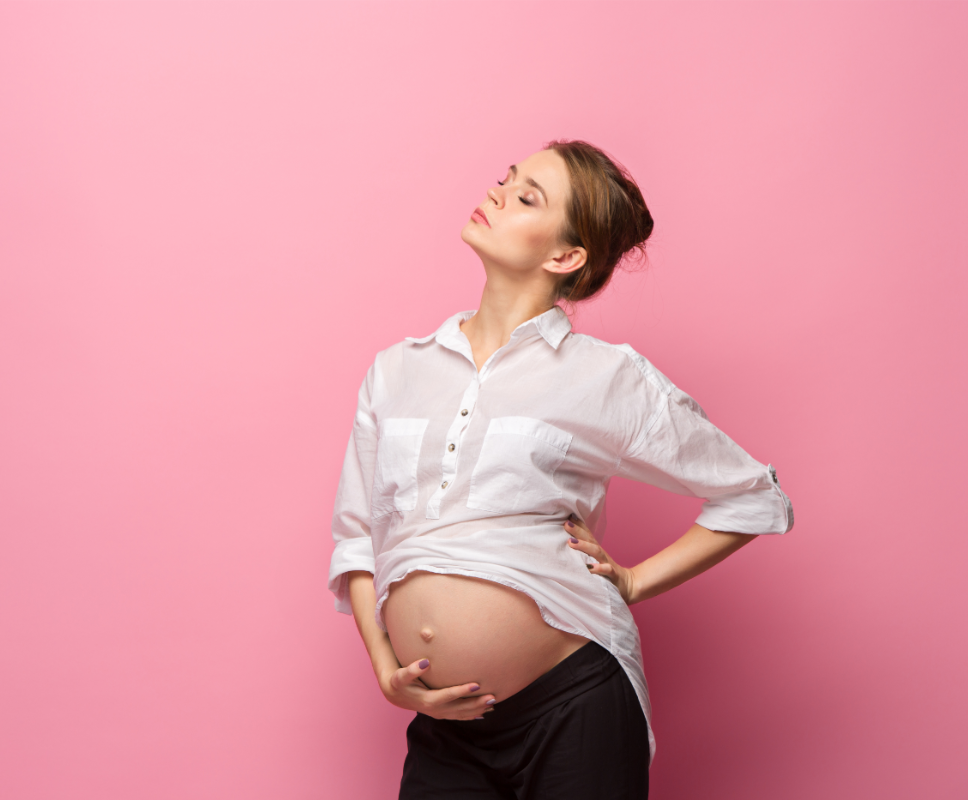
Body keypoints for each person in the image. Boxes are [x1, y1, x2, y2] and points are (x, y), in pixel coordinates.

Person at [327, 139, 794, 799]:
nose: (496, 193)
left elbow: (753, 498)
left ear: (564, 257)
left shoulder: (603, 377)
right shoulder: (396, 370)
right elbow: (356, 537)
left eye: (527, 197)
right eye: (506, 180)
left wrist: (631, 580)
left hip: (574, 707)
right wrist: (384, 668)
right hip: (448, 726)